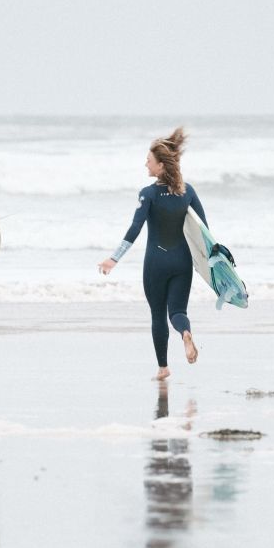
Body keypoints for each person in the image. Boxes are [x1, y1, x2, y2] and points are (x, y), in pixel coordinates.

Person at [99, 127, 205, 380]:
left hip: (156, 262)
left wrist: (114, 258)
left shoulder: (148, 194)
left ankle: (163, 368)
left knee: (158, 315)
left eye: (149, 160)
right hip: (182, 261)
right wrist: (214, 264)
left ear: (160, 166)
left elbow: (135, 228)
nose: (145, 163)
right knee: (177, 312)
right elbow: (203, 230)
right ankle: (185, 333)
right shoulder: (187, 191)